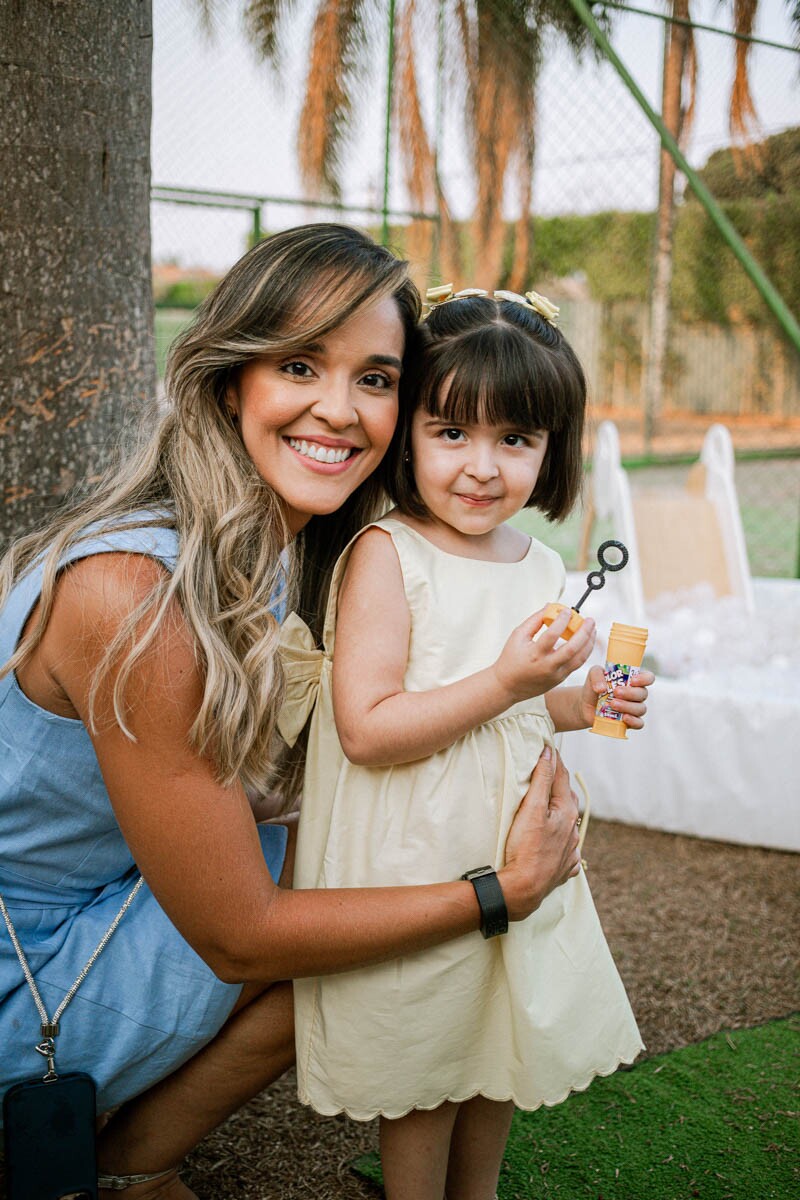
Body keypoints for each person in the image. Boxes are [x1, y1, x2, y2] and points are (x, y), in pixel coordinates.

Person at [0, 229, 585, 1200]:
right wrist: (499, 892)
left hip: (102, 901)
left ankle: (131, 1147)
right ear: (232, 379)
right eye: (301, 364)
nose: (338, 408)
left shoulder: (283, 547)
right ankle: (129, 1164)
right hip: (25, 964)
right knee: (376, 902)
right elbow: (241, 932)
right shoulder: (137, 591)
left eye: (375, 377)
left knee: (365, 852)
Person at [280, 285, 653, 1200]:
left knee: (498, 1038)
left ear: (550, 450)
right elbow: (367, 730)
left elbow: (520, 712)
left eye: (515, 440)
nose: (483, 468)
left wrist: (584, 700)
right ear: (406, 432)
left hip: (514, 847)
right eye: (452, 433)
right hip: (417, 862)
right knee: (426, 1059)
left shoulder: (543, 565)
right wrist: (508, 681)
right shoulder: (386, 553)